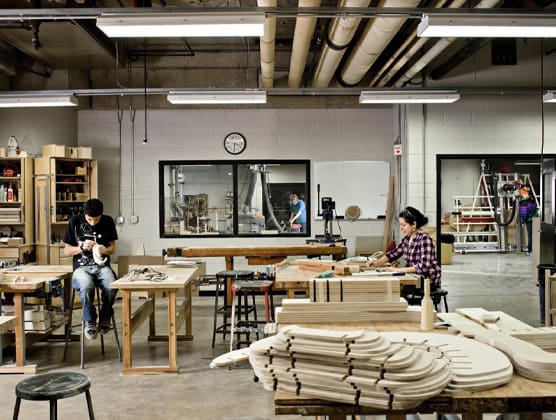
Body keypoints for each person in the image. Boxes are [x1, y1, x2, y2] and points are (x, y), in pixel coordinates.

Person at [64, 198, 118, 340]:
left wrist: (101, 250)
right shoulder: (74, 222)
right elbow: (67, 251)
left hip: (102, 266)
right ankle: (90, 320)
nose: (93, 222)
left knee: (111, 286)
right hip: (81, 268)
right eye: (89, 219)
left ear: (101, 215)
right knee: (86, 286)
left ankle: (105, 316)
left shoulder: (107, 221)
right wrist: (81, 248)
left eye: (96, 219)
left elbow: (112, 249)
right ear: (84, 214)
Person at [367, 206, 441, 289]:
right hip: (414, 277)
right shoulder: (407, 239)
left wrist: (396, 270)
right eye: (400, 225)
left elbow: (423, 267)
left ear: (414, 224)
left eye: (404, 225)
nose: (401, 228)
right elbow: (393, 254)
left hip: (427, 281)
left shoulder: (424, 239)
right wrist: (376, 263)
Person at [518, 186, 537, 254]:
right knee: (535, 234)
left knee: (530, 236)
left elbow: (524, 213)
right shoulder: (532, 199)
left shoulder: (523, 202)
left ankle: (530, 250)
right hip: (535, 219)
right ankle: (533, 249)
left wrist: (523, 221)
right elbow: (534, 210)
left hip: (529, 220)